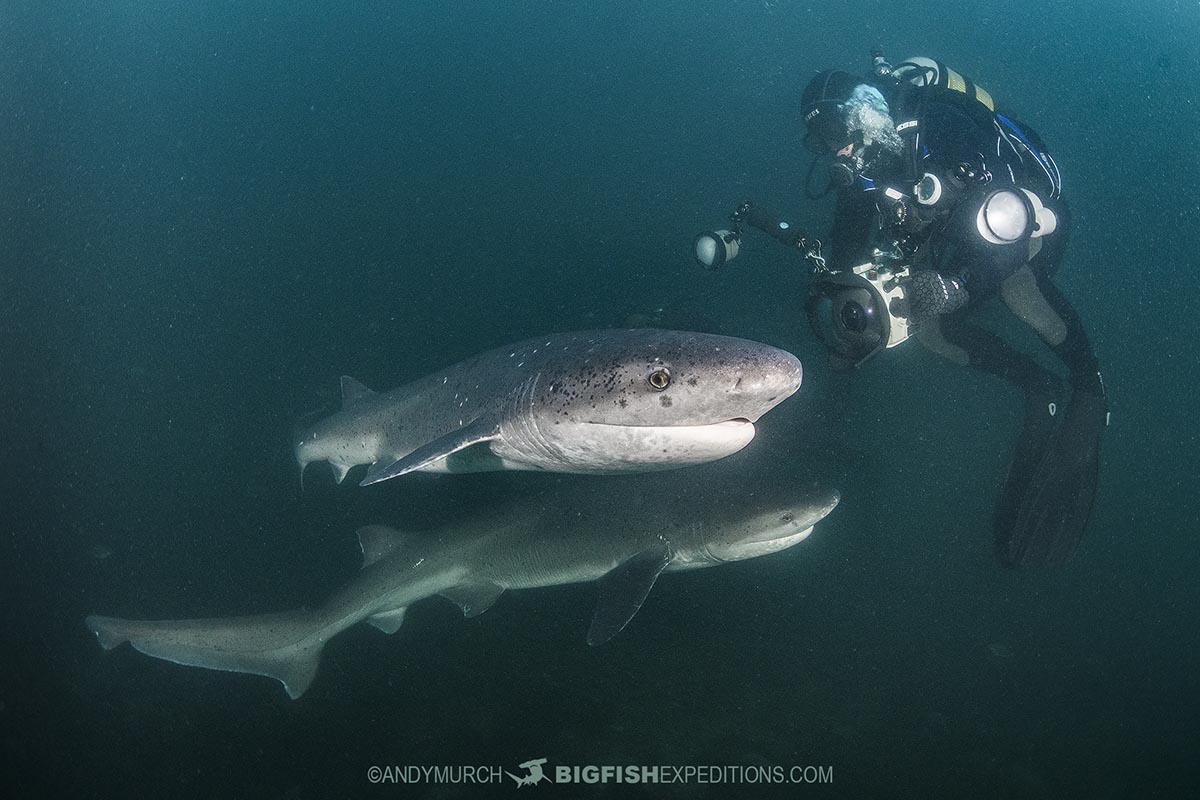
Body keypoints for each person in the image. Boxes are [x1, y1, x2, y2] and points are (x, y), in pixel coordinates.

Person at [798, 53, 1108, 567]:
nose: (836, 149)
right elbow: (848, 244)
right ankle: (1036, 384)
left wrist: (956, 286)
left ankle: (1090, 385)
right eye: (820, 141)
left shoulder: (941, 124)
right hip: (952, 243)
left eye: (835, 129)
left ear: (861, 110)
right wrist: (839, 290)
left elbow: (1005, 227)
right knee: (927, 332)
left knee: (1018, 291)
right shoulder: (865, 168)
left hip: (1022, 224)